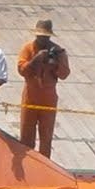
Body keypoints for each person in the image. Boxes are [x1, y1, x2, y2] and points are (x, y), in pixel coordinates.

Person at [17, 19, 70, 158]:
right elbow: (22, 70)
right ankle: (28, 164)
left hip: (48, 100)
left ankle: (44, 165)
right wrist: (36, 59)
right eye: (40, 36)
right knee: (26, 137)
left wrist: (56, 63)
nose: (42, 39)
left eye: (45, 36)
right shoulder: (28, 49)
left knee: (46, 138)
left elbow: (64, 74)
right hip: (30, 99)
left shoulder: (58, 51)